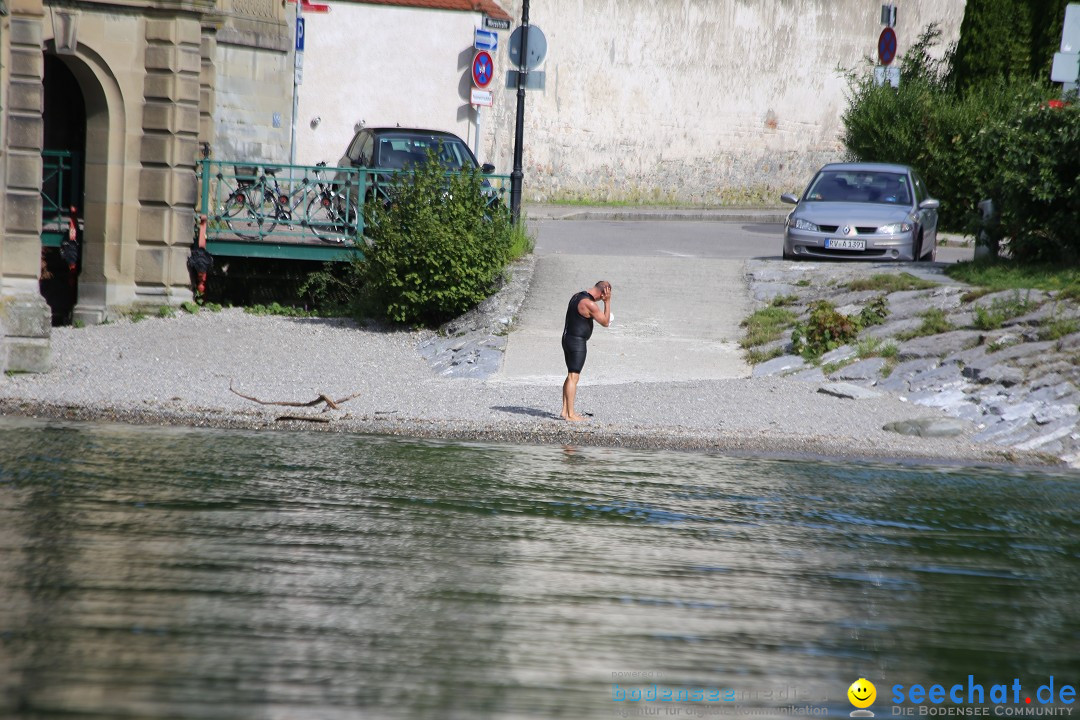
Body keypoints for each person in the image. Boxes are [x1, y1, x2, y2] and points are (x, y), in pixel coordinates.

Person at [560, 280, 613, 422]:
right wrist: (607, 302)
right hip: (576, 342)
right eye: (606, 295)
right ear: (603, 293)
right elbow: (605, 322)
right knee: (574, 377)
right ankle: (571, 415)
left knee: (570, 375)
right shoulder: (589, 303)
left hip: (567, 339)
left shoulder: (577, 296)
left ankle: (565, 411)